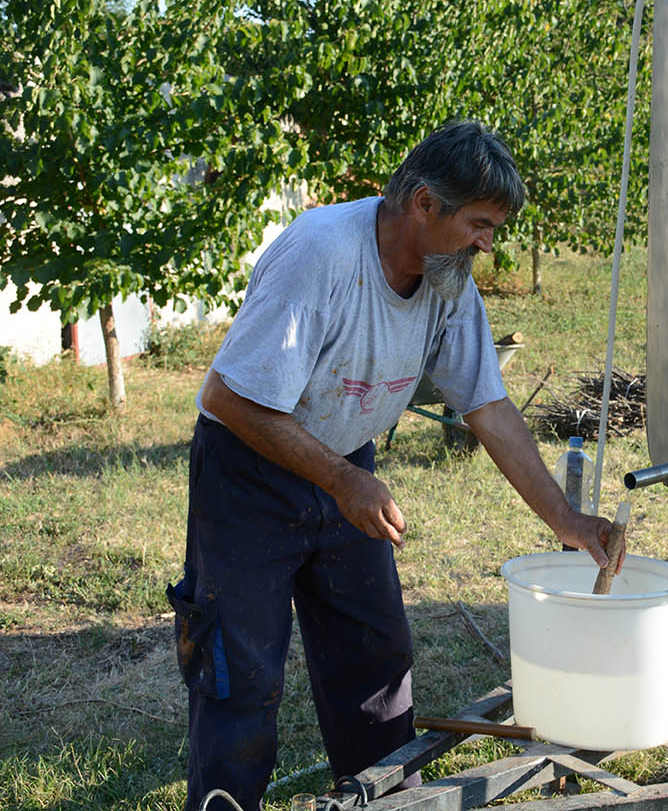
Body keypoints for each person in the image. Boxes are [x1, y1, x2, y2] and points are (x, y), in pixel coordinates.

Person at [167, 121, 617, 811]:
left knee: (375, 663)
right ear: (424, 204)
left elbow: (489, 409)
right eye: (479, 223)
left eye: (494, 228)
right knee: (241, 671)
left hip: (345, 466)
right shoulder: (320, 254)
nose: (487, 243)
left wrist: (567, 520)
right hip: (250, 474)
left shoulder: (448, 285)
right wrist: (345, 480)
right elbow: (227, 397)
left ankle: (383, 803)